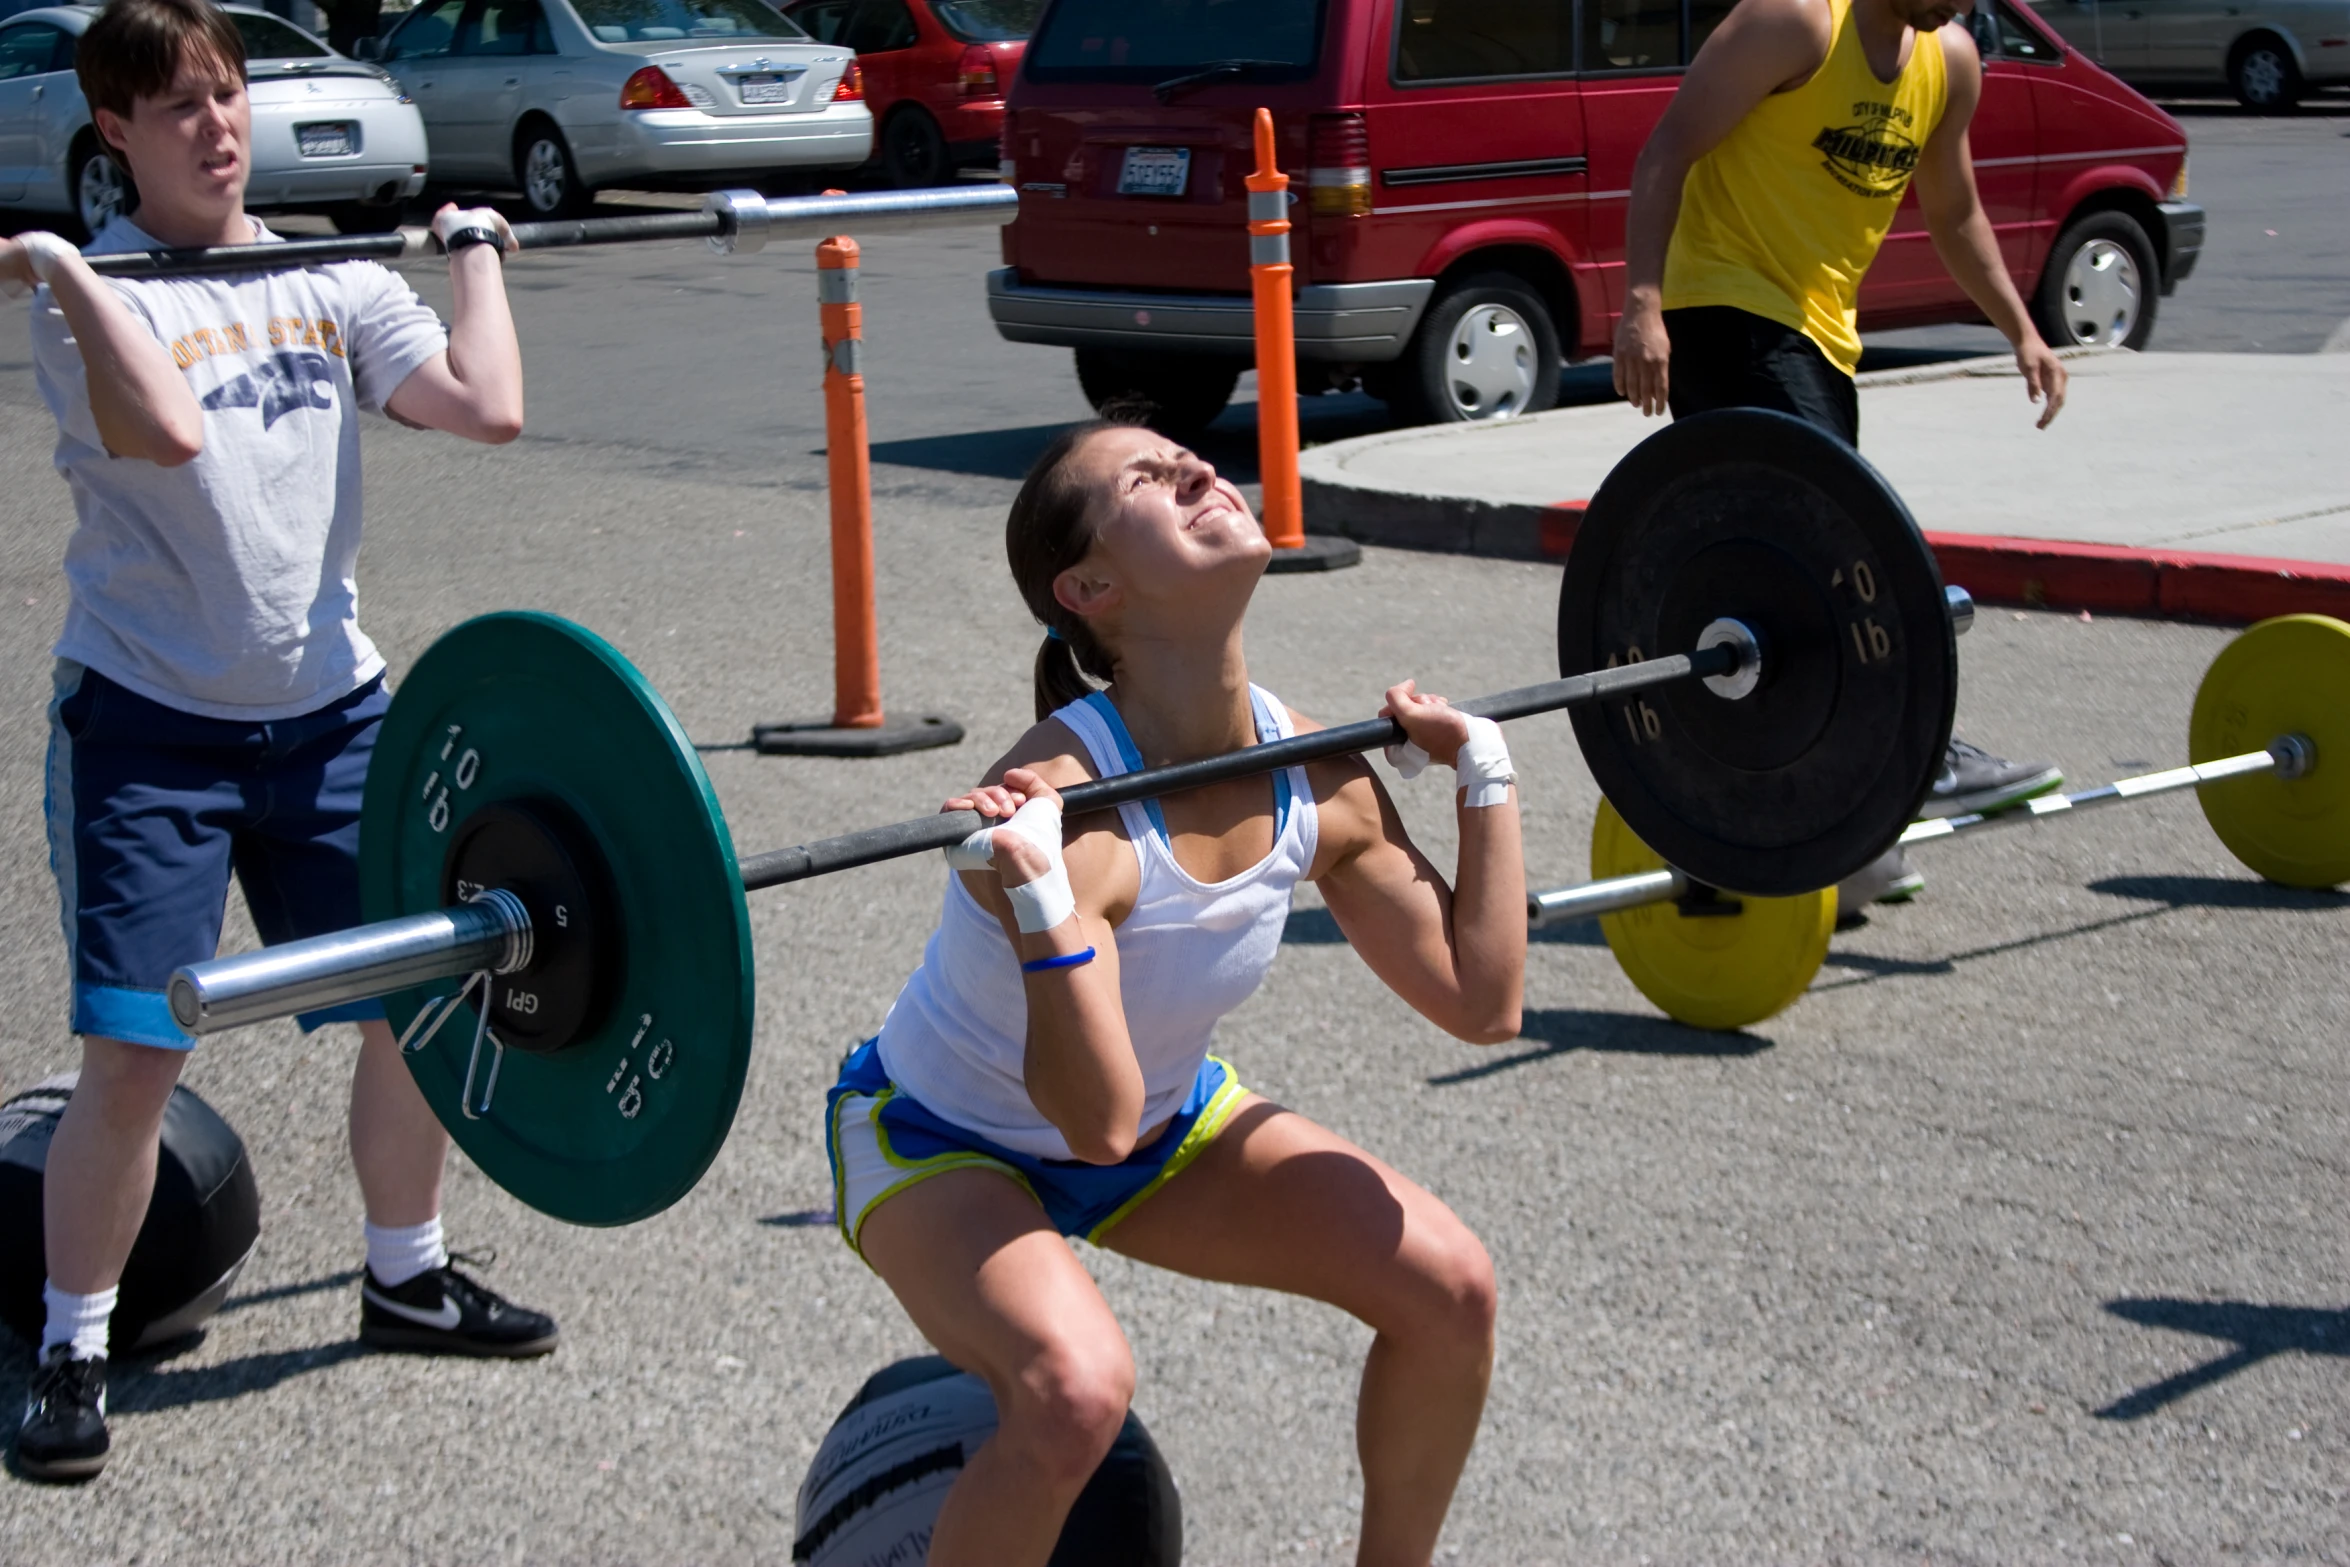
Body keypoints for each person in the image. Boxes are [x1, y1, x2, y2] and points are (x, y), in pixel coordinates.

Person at [10, 0, 555, 1485]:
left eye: (228, 94)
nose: (217, 125)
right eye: (178, 105)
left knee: (412, 999)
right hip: (149, 726)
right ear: (112, 131)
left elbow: (487, 406)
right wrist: (67, 269)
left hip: (330, 716)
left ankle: (406, 1271)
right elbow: (174, 436)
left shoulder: (330, 272)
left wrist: (474, 257)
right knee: (136, 1048)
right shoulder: (92, 299)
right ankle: (72, 1341)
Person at [825, 417, 1521, 1566]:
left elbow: (1481, 999)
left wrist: (1481, 775)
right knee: (1072, 1391)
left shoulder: (1320, 775)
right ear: (1089, 586)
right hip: (935, 1137)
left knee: (1451, 1290)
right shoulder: (1065, 809)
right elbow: (1087, 1123)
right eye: (1149, 478)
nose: (1203, 469)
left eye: (1191, 457)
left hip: (1157, 1123)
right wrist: (1042, 899)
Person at [1611, 0, 2064, 912]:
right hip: (1725, 312)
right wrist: (1643, 305)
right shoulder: (1795, 24)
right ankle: (1917, 759)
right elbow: (1666, 150)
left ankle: (1781, 837)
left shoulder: (1950, 63)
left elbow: (1956, 208)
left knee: (1773, 600)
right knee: (1846, 553)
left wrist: (2022, 327)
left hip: (1821, 339)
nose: (1959, 7)